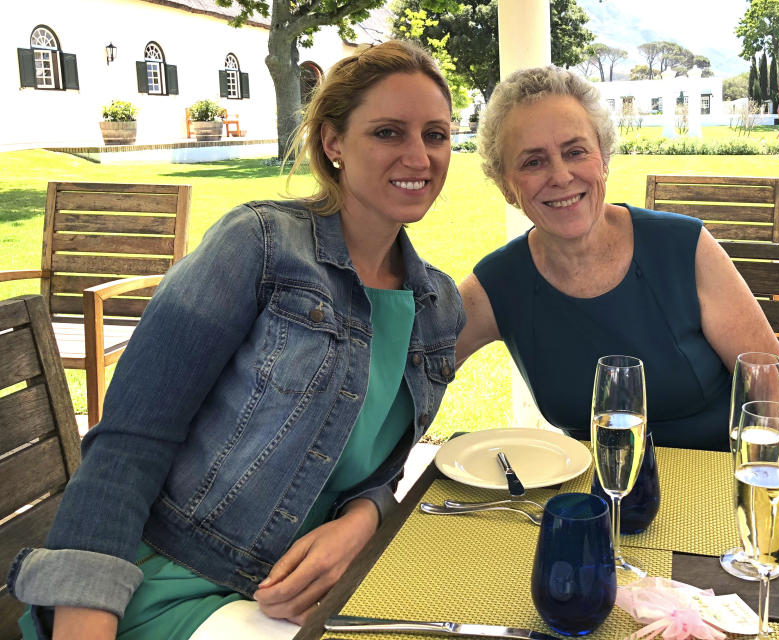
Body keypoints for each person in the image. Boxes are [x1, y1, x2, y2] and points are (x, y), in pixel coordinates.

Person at [8, 40, 464, 640]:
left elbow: (379, 465)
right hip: (169, 583)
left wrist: (362, 517)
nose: (419, 156)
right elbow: (131, 438)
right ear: (333, 143)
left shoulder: (438, 304)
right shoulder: (260, 244)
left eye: (435, 134)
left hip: (298, 594)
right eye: (387, 132)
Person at [455, 66, 779, 451]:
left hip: (723, 482)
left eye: (575, 151)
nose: (560, 175)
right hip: (602, 497)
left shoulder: (683, 247)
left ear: (603, 159)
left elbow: (772, 387)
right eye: (533, 162)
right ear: (506, 185)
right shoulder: (500, 282)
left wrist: (766, 495)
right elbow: (409, 378)